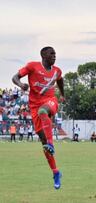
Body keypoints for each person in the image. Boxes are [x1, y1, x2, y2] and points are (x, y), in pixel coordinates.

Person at [12, 46, 64, 189]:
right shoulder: (32, 66)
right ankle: (55, 172)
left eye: (55, 54)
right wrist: (21, 84)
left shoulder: (56, 70)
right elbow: (14, 77)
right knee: (43, 142)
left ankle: (51, 143)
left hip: (50, 101)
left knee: (43, 111)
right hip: (34, 106)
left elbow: (60, 80)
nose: (54, 56)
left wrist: (62, 94)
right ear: (43, 55)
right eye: (51, 54)